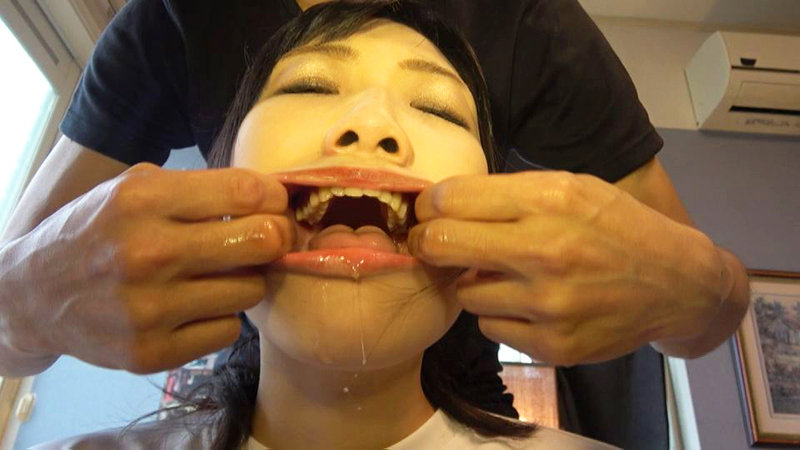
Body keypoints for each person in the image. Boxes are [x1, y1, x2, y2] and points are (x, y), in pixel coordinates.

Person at [0, 0, 750, 447]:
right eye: (308, 86)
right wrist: (24, 300)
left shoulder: (530, 24)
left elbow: (703, 308)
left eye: (437, 107)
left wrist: (702, 288)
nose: (371, 124)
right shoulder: (178, 17)